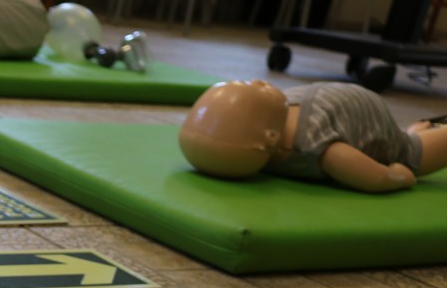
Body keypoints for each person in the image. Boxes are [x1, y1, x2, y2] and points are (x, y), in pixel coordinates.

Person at [178, 80, 447, 193]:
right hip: (350, 114)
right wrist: (398, 176)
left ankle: (413, 133)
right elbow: (378, 179)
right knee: (410, 151)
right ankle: (414, 133)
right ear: (270, 137)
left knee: (407, 148)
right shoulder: (316, 146)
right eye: (259, 91)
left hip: (354, 108)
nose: (261, 82)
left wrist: (399, 175)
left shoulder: (318, 148)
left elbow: (377, 176)